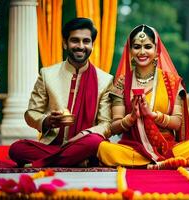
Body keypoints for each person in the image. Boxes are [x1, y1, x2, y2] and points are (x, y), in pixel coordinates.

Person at [8, 18, 113, 167]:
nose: (81, 46)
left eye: (86, 41)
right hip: (52, 145)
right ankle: (76, 161)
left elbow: (106, 124)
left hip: (84, 144)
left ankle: (53, 160)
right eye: (75, 40)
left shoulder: (105, 79)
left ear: (92, 45)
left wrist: (84, 134)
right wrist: (47, 121)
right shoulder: (47, 75)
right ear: (65, 43)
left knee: (95, 141)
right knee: (16, 149)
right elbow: (31, 113)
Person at [97, 24, 189, 169]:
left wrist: (153, 115)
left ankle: (147, 164)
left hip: (166, 146)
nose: (142, 52)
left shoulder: (171, 82)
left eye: (148, 47)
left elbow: (177, 122)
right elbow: (114, 127)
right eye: (136, 47)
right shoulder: (122, 83)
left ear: (157, 50)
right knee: (104, 149)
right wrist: (132, 118)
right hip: (134, 147)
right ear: (130, 50)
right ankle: (162, 164)